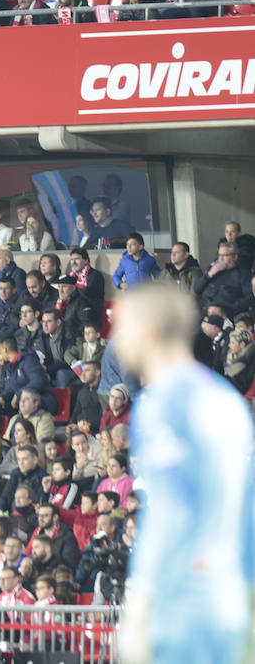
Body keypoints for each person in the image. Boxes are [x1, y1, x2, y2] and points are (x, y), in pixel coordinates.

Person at [114, 285, 255, 664]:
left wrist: (142, 600)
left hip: (187, 606)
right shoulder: (223, 398)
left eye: (122, 327)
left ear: (148, 330)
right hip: (236, 600)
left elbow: (171, 511)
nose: (116, 339)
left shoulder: (162, 404)